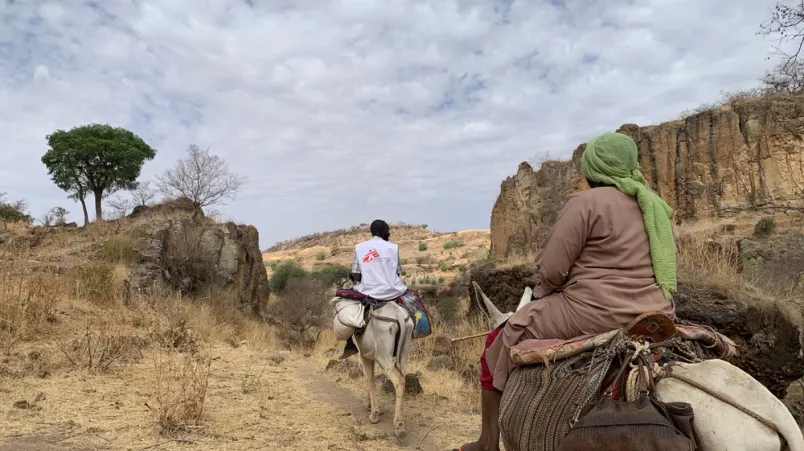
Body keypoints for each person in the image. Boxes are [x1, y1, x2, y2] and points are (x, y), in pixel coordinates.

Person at [453, 132, 678, 451]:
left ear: (592, 170)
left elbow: (553, 270)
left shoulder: (585, 203)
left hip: (595, 312)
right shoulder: (653, 205)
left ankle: (488, 441)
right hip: (656, 313)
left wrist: (545, 291)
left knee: (499, 337)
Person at [339, 219, 408, 360]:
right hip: (393, 291)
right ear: (381, 231)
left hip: (368, 293)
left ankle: (350, 343)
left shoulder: (360, 247)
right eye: (387, 231)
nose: (389, 234)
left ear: (372, 231)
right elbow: (397, 273)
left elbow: (357, 275)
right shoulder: (393, 247)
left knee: (345, 305)